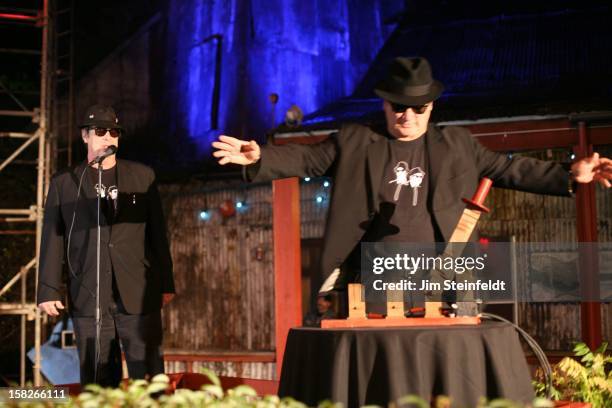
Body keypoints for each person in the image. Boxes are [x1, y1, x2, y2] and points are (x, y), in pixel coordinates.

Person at [212, 57, 612, 297]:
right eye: (398, 108)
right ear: (385, 105)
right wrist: (262, 156)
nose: (407, 116)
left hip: (445, 276)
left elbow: (511, 169)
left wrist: (571, 174)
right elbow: (308, 159)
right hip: (376, 278)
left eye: (418, 108)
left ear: (432, 106)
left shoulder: (458, 145)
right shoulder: (355, 140)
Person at [37, 105, 175, 387]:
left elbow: (158, 235)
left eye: (113, 132)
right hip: (89, 291)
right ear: (85, 136)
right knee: (97, 378)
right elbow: (52, 236)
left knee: (148, 377)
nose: (108, 137)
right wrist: (48, 289)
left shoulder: (142, 176)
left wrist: (165, 282)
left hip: (137, 291)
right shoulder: (65, 183)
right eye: (100, 131)